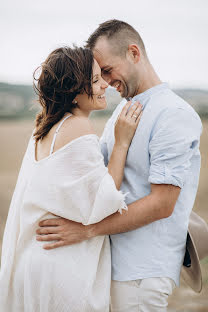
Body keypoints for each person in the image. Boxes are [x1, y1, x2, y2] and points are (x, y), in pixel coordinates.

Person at [36, 20, 203, 311]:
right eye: (99, 74)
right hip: (113, 265)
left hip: (141, 271)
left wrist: (85, 230)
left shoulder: (173, 114)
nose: (105, 81)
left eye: (108, 70)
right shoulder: (123, 111)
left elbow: (162, 203)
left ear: (134, 53)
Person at [0, 46, 143, 311]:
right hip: (63, 265)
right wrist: (121, 142)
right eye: (96, 80)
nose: (105, 86)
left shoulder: (43, 129)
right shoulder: (78, 126)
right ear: (73, 91)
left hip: (36, 260)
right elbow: (104, 199)